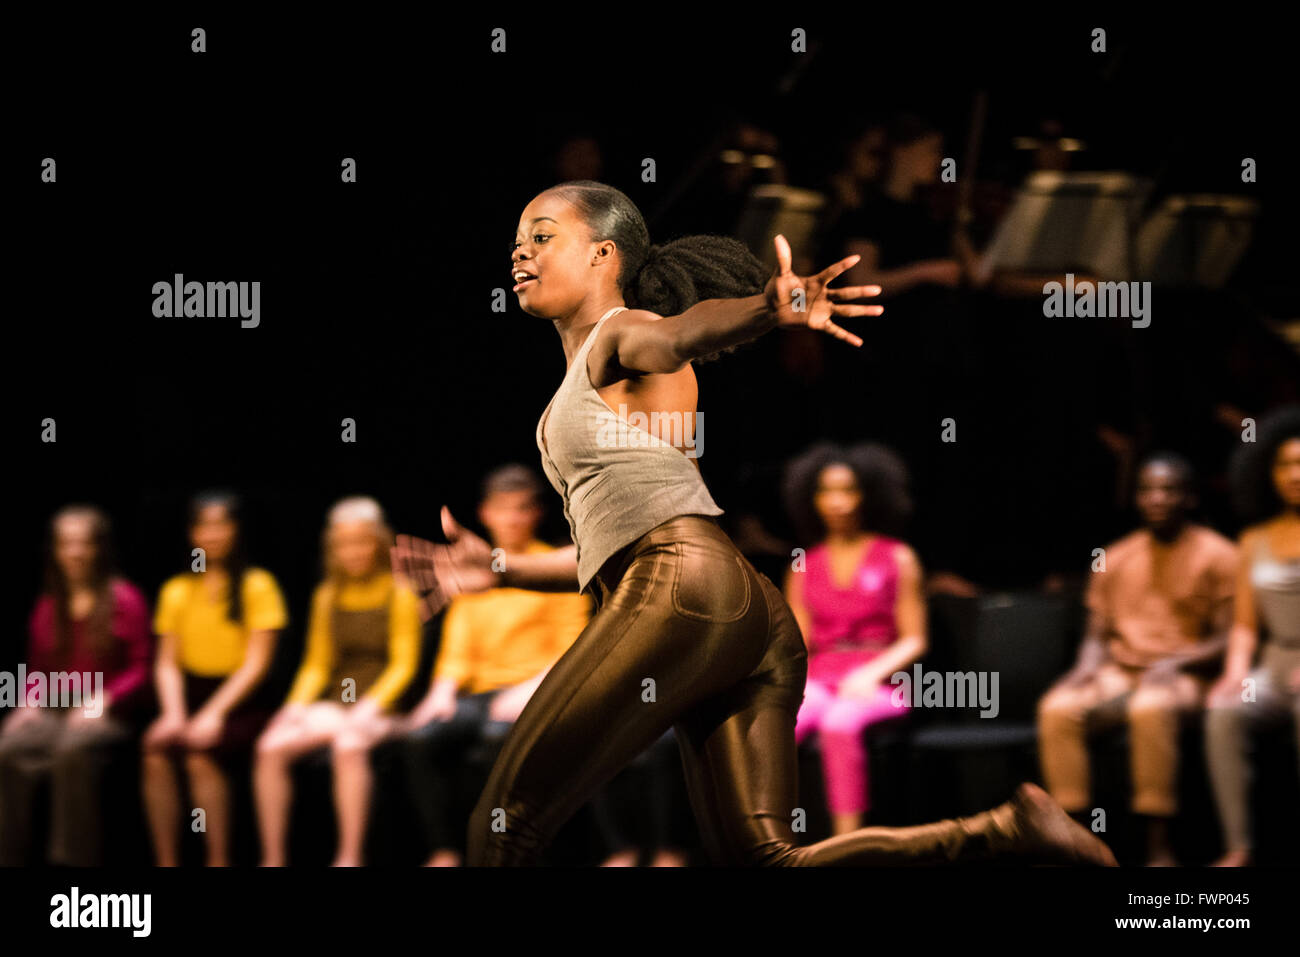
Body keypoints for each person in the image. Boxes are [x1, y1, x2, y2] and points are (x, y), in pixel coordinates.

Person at [392, 179, 1115, 867]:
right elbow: (602, 548)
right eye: (517, 240)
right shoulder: (592, 373)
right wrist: (498, 568)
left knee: (504, 818)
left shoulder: (624, 334)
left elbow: (681, 334)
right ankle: (1004, 829)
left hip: (682, 587)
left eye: (542, 236)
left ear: (603, 255)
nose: (519, 252)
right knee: (766, 859)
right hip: (733, 606)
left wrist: (770, 307)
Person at [1037, 453, 1237, 865]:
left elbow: (1229, 635)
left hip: (1187, 674)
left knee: (1151, 707)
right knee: (1057, 708)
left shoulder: (1220, 554)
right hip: (1122, 669)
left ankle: (1158, 848)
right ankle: (1075, 841)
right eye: (1147, 490)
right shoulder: (1115, 556)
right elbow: (1096, 636)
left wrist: (1181, 661)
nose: (1157, 499)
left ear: (1190, 498)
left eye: (1168, 490)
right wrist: (1084, 668)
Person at [399, 465, 590, 866]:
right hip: (481, 692)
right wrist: (441, 690)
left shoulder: (553, 565)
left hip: (533, 691)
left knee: (496, 736)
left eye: (522, 509)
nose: (512, 518)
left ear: (536, 513)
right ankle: (445, 851)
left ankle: (500, 850)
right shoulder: (471, 570)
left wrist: (533, 690)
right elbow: (458, 647)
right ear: (485, 513)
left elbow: (574, 645)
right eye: (503, 509)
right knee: (421, 737)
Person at [254, 496, 420, 867]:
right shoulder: (327, 595)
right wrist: (294, 707)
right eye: (345, 544)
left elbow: (403, 665)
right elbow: (316, 663)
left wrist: (370, 705)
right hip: (337, 703)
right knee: (270, 746)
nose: (354, 552)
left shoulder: (400, 593)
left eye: (362, 542)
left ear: (378, 542)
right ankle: (273, 857)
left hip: (385, 707)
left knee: (348, 745)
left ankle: (349, 856)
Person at [781, 442, 925, 834]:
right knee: (778, 725)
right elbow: (797, 644)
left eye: (849, 490)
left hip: (882, 681)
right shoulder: (804, 566)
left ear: (869, 495)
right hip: (822, 677)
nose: (838, 502)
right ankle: (770, 841)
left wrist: (870, 674)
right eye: (827, 491)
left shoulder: (896, 557)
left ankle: (848, 846)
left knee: (840, 724)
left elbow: (914, 639)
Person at [0, 505, 152, 866]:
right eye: (67, 544)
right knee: (9, 748)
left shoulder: (125, 599)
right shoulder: (49, 605)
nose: (75, 553)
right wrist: (29, 702)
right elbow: (38, 670)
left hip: (109, 709)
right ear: (56, 550)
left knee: (73, 749)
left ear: (99, 548)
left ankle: (71, 859)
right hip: (59, 706)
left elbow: (142, 669)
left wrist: (106, 699)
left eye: (84, 544)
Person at [142, 491, 287, 866]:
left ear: (237, 530)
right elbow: (167, 663)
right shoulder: (177, 589)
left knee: (199, 755)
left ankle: (217, 859)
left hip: (243, 698)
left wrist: (214, 714)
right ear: (191, 534)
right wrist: (174, 714)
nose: (212, 533)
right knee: (155, 750)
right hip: (192, 692)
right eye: (203, 525)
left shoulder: (259, 585)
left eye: (221, 523)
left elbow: (257, 664)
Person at [1205, 405, 1300, 866]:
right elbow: (1245, 625)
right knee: (1225, 709)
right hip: (1277, 660)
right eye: (1285, 464)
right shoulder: (1254, 540)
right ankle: (1238, 846)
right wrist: (1235, 674)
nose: (1295, 474)